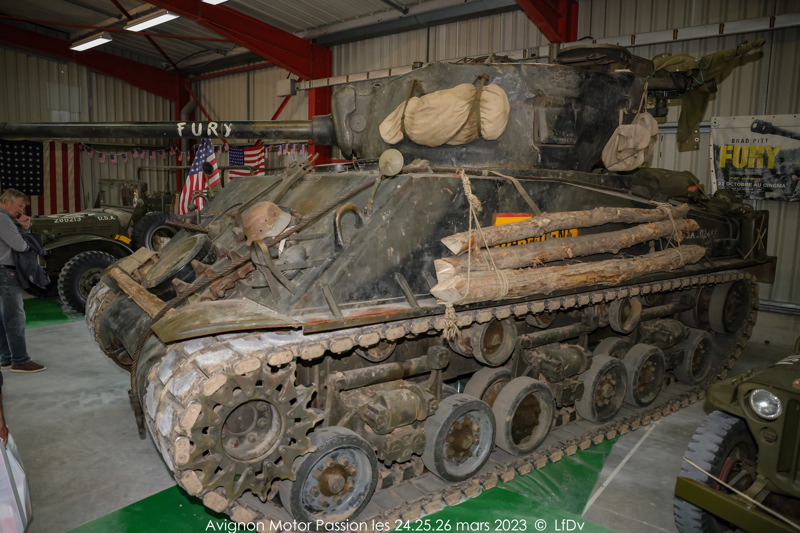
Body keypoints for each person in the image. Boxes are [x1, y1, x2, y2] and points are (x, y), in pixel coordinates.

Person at [0, 189, 46, 373]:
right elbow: (20, 245)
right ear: (7, 201)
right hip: (5, 272)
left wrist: (23, 228)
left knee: (3, 317)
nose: (21, 210)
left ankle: (6, 357)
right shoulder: (3, 218)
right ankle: (20, 360)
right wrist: (27, 236)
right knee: (15, 318)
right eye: (19, 205)